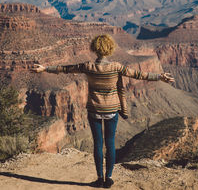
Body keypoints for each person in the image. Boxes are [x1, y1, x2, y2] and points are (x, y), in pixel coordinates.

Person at [32, 34, 174, 188]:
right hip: (112, 110)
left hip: (94, 109)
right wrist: (160, 76)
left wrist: (45, 68)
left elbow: (65, 69)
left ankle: (100, 178)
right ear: (110, 48)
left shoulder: (88, 66)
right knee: (110, 143)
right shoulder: (116, 67)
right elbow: (139, 74)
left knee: (98, 144)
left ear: (94, 48)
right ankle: (109, 178)